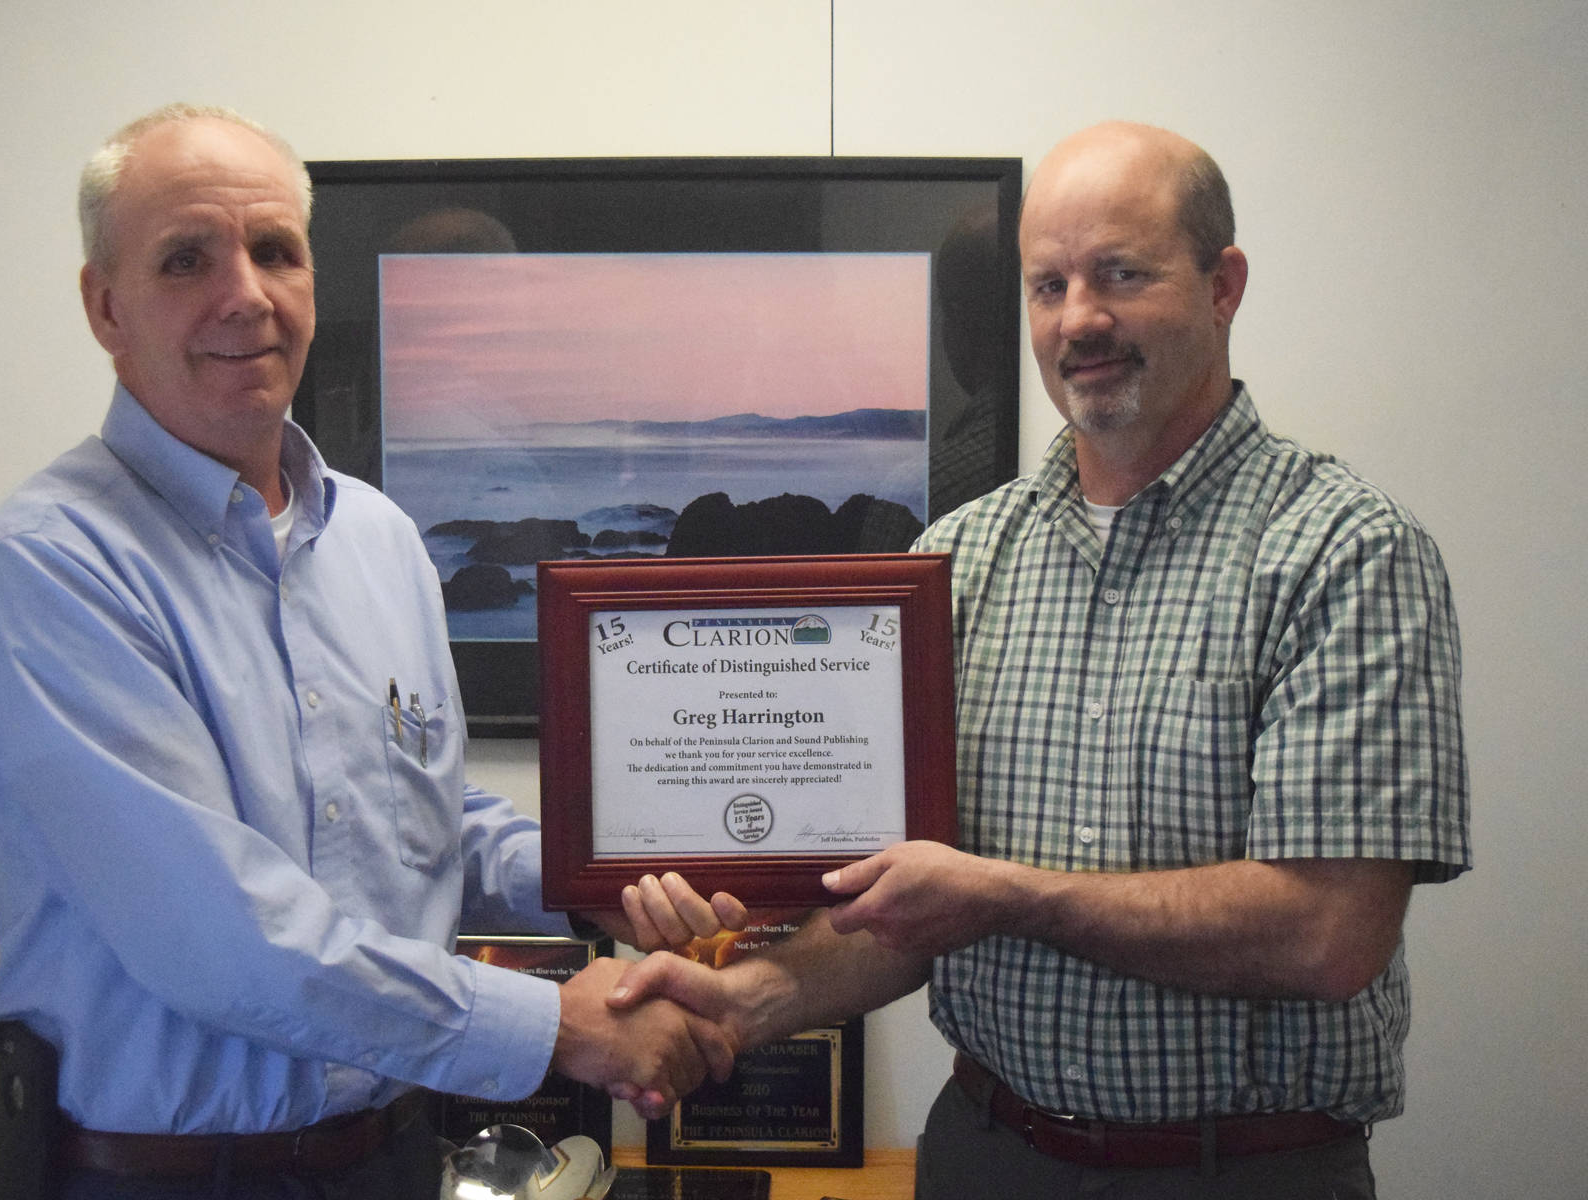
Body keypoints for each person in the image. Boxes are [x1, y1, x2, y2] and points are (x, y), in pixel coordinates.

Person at [612, 120, 1470, 1198]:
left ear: (1224, 285)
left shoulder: (1345, 550)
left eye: (1121, 274)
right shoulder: (959, 559)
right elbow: (910, 911)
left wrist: (1006, 896)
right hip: (986, 1153)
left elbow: (1328, 933)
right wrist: (747, 999)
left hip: (1236, 1173)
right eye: (1048, 284)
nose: (1081, 320)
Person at [0, 104, 739, 1200]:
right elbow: (222, 939)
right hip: (167, 1180)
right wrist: (560, 1024)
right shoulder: (51, 568)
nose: (247, 296)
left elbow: (424, 818)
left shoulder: (378, 538)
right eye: (187, 259)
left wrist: (593, 885)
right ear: (105, 305)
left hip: (393, 1159)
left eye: (276, 251)